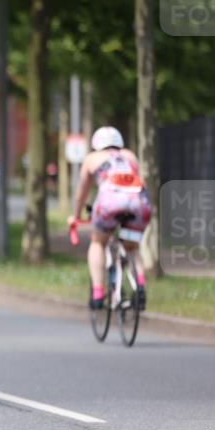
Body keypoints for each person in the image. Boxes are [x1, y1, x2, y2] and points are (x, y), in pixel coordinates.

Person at [69, 126, 151, 310]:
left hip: (109, 203)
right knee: (132, 246)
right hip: (138, 203)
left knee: (98, 242)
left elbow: (82, 192)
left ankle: (98, 294)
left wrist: (75, 216)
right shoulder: (130, 155)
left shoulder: (92, 158)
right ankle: (141, 287)